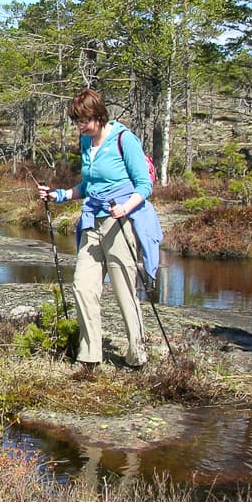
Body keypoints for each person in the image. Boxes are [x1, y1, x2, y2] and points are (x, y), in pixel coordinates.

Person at [38, 88, 162, 369]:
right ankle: (90, 355)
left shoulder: (123, 139)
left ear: (99, 116)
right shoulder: (86, 142)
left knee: (123, 291)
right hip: (92, 222)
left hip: (120, 223)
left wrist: (125, 207)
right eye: (77, 121)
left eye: (85, 121)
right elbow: (88, 186)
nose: (81, 126)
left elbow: (144, 185)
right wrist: (58, 196)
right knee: (82, 286)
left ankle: (136, 355)